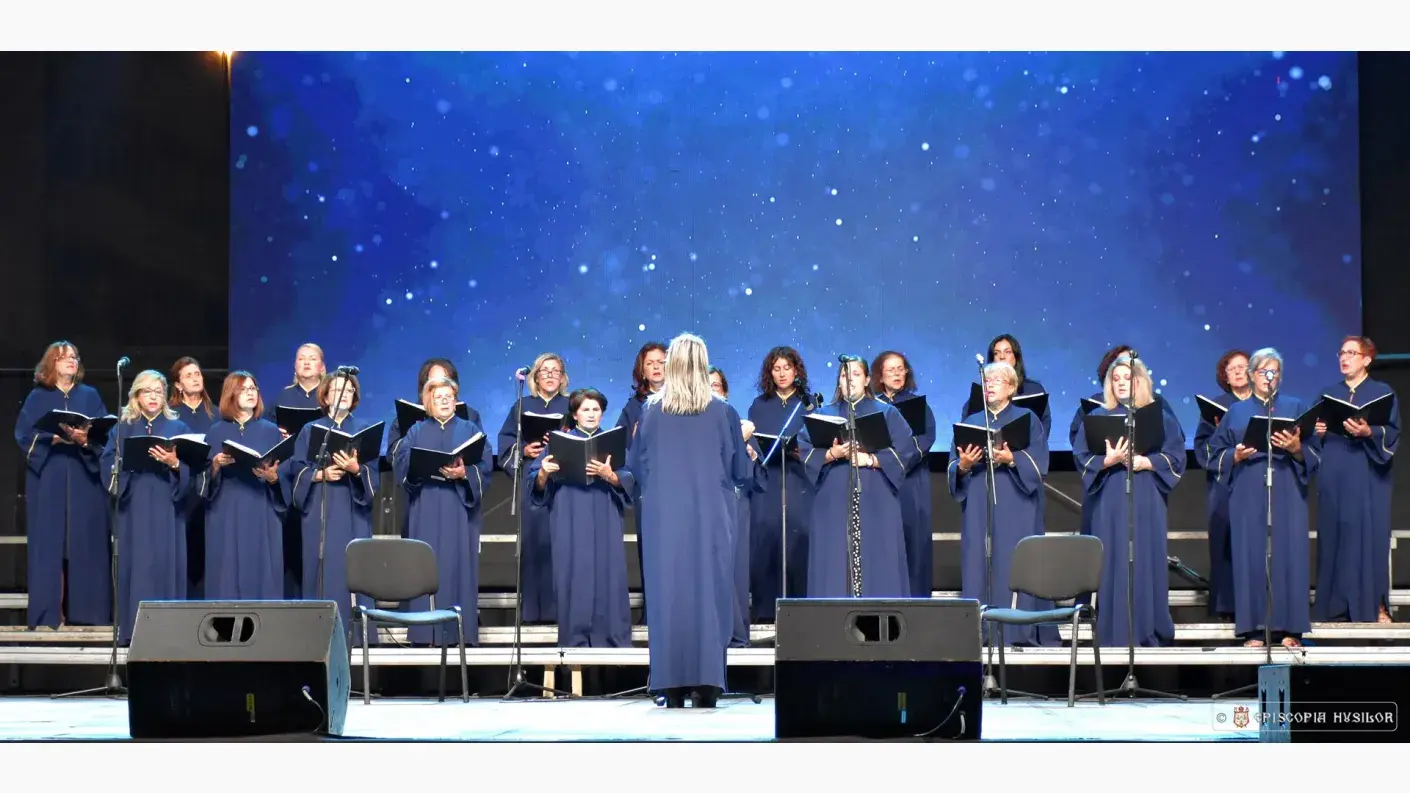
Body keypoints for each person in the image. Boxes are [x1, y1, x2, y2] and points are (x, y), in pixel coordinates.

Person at [629, 333, 752, 708]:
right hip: (711, 516)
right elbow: (740, 471)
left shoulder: (651, 411)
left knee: (668, 593)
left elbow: (637, 468)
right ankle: (707, 684)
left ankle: (671, 685)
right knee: (709, 593)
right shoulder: (724, 412)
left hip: (664, 519)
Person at [1208, 348, 1320, 647]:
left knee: (1289, 555)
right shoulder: (1236, 412)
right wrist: (1236, 455)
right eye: (1263, 371)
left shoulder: (1295, 406)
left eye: (1274, 372)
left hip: (1287, 489)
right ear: (1251, 375)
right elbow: (1215, 454)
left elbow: (1315, 453)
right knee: (1251, 556)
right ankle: (1254, 629)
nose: (1269, 377)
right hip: (1248, 491)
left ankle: (1291, 629)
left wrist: (1296, 449)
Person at [1072, 355, 1185, 647]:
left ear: (1141, 381)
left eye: (1128, 378)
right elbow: (1082, 457)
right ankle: (1113, 633)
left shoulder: (1161, 418)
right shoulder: (1097, 418)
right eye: (1116, 379)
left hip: (1147, 497)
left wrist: (1147, 462)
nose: (1121, 383)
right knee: (1112, 560)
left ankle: (1148, 630)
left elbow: (1176, 458)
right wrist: (1107, 461)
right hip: (1109, 500)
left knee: (1145, 558)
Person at [948, 361, 1054, 646]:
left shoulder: (1027, 419)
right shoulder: (971, 421)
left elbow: (1039, 463)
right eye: (987, 381)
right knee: (978, 562)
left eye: (997, 380)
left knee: (1012, 563)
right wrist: (964, 465)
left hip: (1015, 502)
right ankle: (978, 634)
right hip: (979, 502)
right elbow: (953, 466)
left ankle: (1016, 633)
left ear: (1011, 387)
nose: (990, 385)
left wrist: (1012, 459)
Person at [799, 356, 917, 598]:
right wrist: (832, 454)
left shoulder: (887, 412)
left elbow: (907, 451)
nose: (849, 380)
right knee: (834, 559)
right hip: (833, 500)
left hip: (877, 499)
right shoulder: (823, 414)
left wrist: (871, 459)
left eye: (855, 374)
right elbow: (803, 449)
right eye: (844, 375)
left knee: (877, 558)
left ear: (866, 380)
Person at [14, 341, 112, 629]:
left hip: (84, 478)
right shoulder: (38, 397)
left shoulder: (89, 396)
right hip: (49, 479)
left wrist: (86, 440)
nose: (71, 360)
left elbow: (105, 436)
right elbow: (23, 436)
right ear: (51, 364)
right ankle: (48, 616)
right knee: (48, 545)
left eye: (74, 357)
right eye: (64, 357)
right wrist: (53, 438)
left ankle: (88, 615)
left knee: (87, 543)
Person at [528, 388, 633, 648]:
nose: (591, 414)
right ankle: (574, 639)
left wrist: (610, 475)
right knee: (573, 574)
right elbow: (536, 484)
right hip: (569, 517)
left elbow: (630, 478)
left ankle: (611, 638)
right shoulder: (557, 443)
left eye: (596, 409)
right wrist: (543, 473)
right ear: (575, 414)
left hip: (604, 516)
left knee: (608, 573)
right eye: (585, 409)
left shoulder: (613, 443)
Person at [393, 376, 494, 646]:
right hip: (425, 506)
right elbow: (402, 466)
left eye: (449, 396)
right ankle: (424, 634)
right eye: (438, 397)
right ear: (429, 402)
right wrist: (418, 469)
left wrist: (464, 473)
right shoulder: (416, 431)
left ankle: (457, 634)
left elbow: (485, 467)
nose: (444, 401)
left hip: (458, 510)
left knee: (457, 566)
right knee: (425, 567)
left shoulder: (470, 429)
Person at [283, 371, 379, 640]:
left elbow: (373, 476)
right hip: (320, 509)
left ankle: (358, 636)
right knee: (322, 567)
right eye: (337, 391)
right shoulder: (310, 430)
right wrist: (319, 474)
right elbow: (296, 469)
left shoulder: (364, 429)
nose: (344, 395)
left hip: (353, 510)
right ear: (325, 397)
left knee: (354, 569)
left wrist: (356, 469)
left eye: (348, 391)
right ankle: (317, 635)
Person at [1310, 336, 1399, 624]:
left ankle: (1373, 605)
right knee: (1334, 537)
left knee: (1367, 537)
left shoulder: (1381, 392)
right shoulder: (1328, 394)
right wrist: (1317, 432)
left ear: (1366, 359)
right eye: (1341, 353)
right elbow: (1310, 435)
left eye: (1351, 352)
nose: (1344, 357)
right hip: (1334, 473)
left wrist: (1368, 432)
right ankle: (1333, 609)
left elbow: (1392, 433)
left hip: (1366, 474)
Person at [99, 370, 192, 646]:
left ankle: (169, 633)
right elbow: (107, 464)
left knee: (165, 564)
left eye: (158, 392)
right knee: (136, 566)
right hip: (134, 507)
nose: (153, 397)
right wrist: (125, 464)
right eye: (147, 391)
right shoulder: (122, 428)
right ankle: (132, 632)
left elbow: (193, 469)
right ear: (136, 396)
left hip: (167, 507)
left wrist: (175, 464)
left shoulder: (178, 428)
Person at [497, 353, 571, 625]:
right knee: (534, 544)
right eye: (544, 371)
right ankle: (532, 614)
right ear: (535, 377)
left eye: (556, 371)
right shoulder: (523, 405)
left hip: (564, 484)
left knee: (562, 545)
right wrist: (524, 449)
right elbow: (505, 442)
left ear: (563, 378)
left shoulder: (572, 405)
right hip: (532, 483)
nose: (550, 375)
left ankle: (563, 612)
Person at [201, 372, 287, 600]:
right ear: (231, 394)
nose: (251, 393)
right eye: (244, 389)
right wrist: (216, 465)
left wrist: (273, 477)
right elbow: (201, 477)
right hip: (226, 507)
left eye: (253, 388)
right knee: (226, 570)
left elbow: (284, 472)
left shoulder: (270, 430)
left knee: (260, 567)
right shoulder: (216, 431)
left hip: (260, 505)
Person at [746, 346, 815, 622]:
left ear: (796, 371)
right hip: (768, 481)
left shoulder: (808, 404)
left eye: (787, 368)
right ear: (769, 373)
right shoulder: (759, 405)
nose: (782, 373)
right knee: (767, 543)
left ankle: (803, 615)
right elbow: (752, 442)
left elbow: (819, 442)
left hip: (799, 481)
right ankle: (765, 614)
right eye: (777, 369)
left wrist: (803, 450)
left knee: (799, 543)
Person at [871, 350, 937, 599]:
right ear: (880, 376)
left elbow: (926, 438)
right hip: (880, 479)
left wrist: (898, 461)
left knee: (914, 539)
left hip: (912, 480)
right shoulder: (873, 405)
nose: (897, 374)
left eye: (901, 369)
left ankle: (918, 602)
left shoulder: (918, 405)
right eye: (891, 370)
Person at [1192, 350, 1251, 620]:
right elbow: (1203, 447)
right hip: (1225, 484)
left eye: (1243, 366)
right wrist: (1225, 446)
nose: (1238, 371)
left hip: (1257, 481)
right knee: (1225, 544)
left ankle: (1259, 606)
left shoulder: (1265, 404)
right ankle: (1227, 607)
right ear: (1225, 376)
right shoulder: (1215, 408)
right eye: (1232, 369)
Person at [710, 366, 762, 647]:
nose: (712, 390)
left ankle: (737, 631)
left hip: (737, 506)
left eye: (716, 386)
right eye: (706, 385)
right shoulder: (696, 425)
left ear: (725, 392)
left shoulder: (738, 423)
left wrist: (750, 456)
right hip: (708, 509)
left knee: (736, 570)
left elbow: (754, 475)